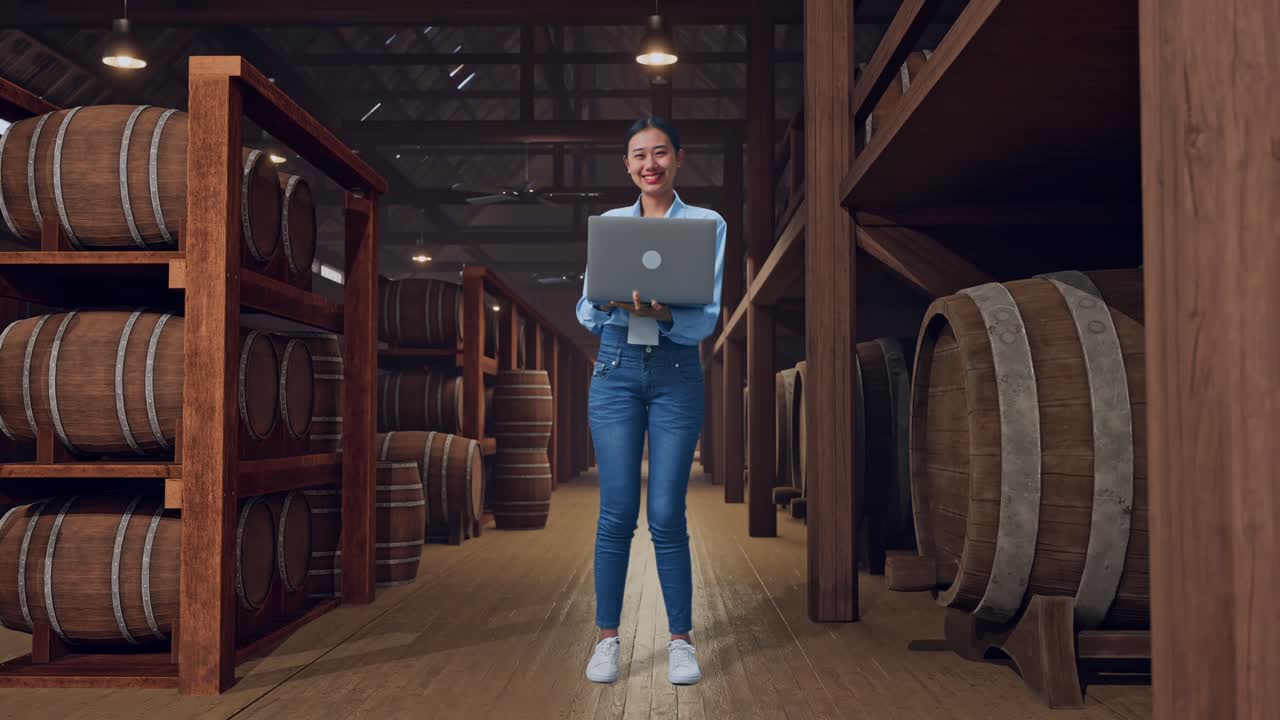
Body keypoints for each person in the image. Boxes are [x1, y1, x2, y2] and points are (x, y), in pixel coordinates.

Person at [575, 116, 725, 686]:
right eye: (639, 155)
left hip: (675, 371)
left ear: (679, 159)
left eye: (660, 153)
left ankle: (680, 641)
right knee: (616, 512)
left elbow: (705, 318)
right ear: (627, 165)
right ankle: (607, 640)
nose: (650, 164)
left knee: (665, 513)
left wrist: (664, 316)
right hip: (615, 369)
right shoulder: (612, 226)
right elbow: (586, 310)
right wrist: (610, 301)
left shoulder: (707, 223)